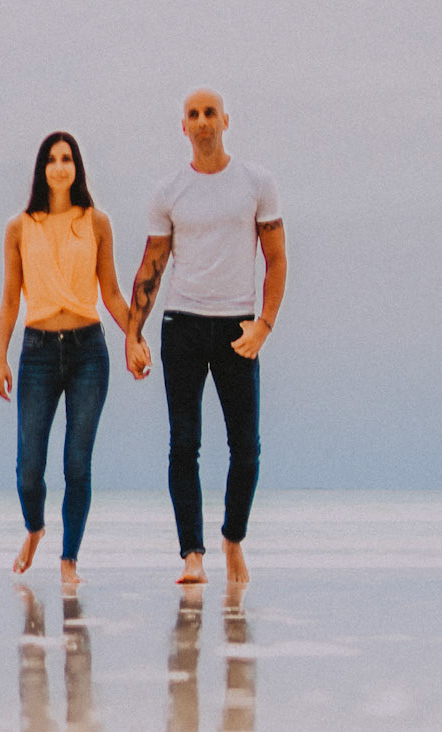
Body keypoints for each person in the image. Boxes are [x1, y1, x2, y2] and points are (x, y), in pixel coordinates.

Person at [125, 89, 286, 586]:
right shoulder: (169, 190)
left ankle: (232, 538)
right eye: (193, 115)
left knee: (247, 448)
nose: (202, 122)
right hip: (183, 325)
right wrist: (134, 333)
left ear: (225, 121)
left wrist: (265, 325)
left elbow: (276, 257)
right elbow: (152, 264)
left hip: (239, 325)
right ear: (184, 127)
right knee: (184, 445)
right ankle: (191, 555)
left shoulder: (256, 182)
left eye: (209, 113)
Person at [0, 132, 132, 587]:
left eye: (67, 158)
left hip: (88, 350)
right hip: (36, 353)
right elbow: (11, 300)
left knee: (77, 462)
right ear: (41, 168)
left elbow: (110, 290)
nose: (60, 167)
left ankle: (69, 558)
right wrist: (1, 358)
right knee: (29, 467)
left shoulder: (96, 222)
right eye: (52, 159)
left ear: (77, 167)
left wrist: (135, 336)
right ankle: (35, 528)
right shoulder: (19, 226)